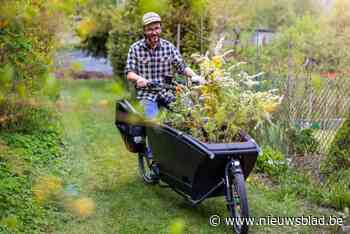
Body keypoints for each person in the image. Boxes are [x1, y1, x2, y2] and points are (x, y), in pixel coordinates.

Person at [125, 12, 204, 119]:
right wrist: (138, 79)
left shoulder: (168, 47)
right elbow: (130, 73)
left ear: (161, 28)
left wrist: (194, 76)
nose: (154, 32)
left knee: (191, 113)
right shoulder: (135, 48)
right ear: (144, 30)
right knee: (153, 123)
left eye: (157, 28)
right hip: (147, 93)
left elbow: (182, 66)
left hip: (167, 91)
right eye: (150, 29)